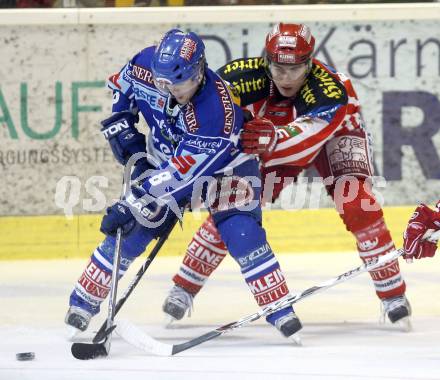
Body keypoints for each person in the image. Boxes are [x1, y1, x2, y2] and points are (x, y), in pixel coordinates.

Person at [162, 23, 412, 327]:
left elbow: (307, 139)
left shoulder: (332, 90)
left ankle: (393, 294)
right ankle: (184, 286)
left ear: (310, 63)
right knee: (234, 204)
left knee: (359, 205)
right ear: (266, 61)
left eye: (295, 69)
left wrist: (273, 138)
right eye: (278, 68)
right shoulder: (238, 76)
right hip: (272, 139)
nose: (286, 77)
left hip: (334, 132)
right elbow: (210, 114)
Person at [65, 29, 303, 340]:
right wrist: (119, 122)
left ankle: (280, 309)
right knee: (132, 233)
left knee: (242, 233)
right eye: (164, 83)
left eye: (181, 84)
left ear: (200, 70)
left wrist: (135, 200)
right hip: (168, 160)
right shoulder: (144, 64)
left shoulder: (216, 112)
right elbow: (121, 85)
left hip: (226, 168)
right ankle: (82, 303)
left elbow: (182, 175)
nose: (171, 90)